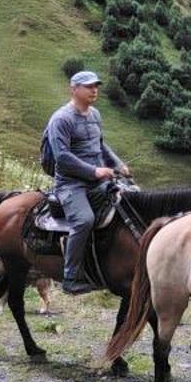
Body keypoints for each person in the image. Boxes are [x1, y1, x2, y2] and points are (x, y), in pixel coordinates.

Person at [43, 69, 131, 296]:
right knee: (84, 220)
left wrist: (118, 164)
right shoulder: (61, 119)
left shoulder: (95, 115)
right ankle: (70, 278)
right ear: (74, 90)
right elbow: (62, 158)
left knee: (131, 201)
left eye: (96, 86)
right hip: (71, 185)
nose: (95, 90)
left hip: (98, 180)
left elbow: (100, 145)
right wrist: (95, 171)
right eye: (89, 86)